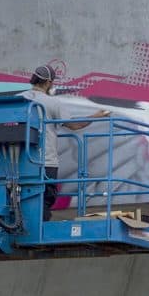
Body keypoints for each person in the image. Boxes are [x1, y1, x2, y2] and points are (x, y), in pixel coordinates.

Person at [19, 65, 110, 221]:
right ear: (48, 82)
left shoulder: (18, 98)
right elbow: (75, 125)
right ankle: (39, 228)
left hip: (18, 160)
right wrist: (96, 115)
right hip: (45, 160)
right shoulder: (51, 103)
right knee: (45, 197)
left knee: (19, 196)